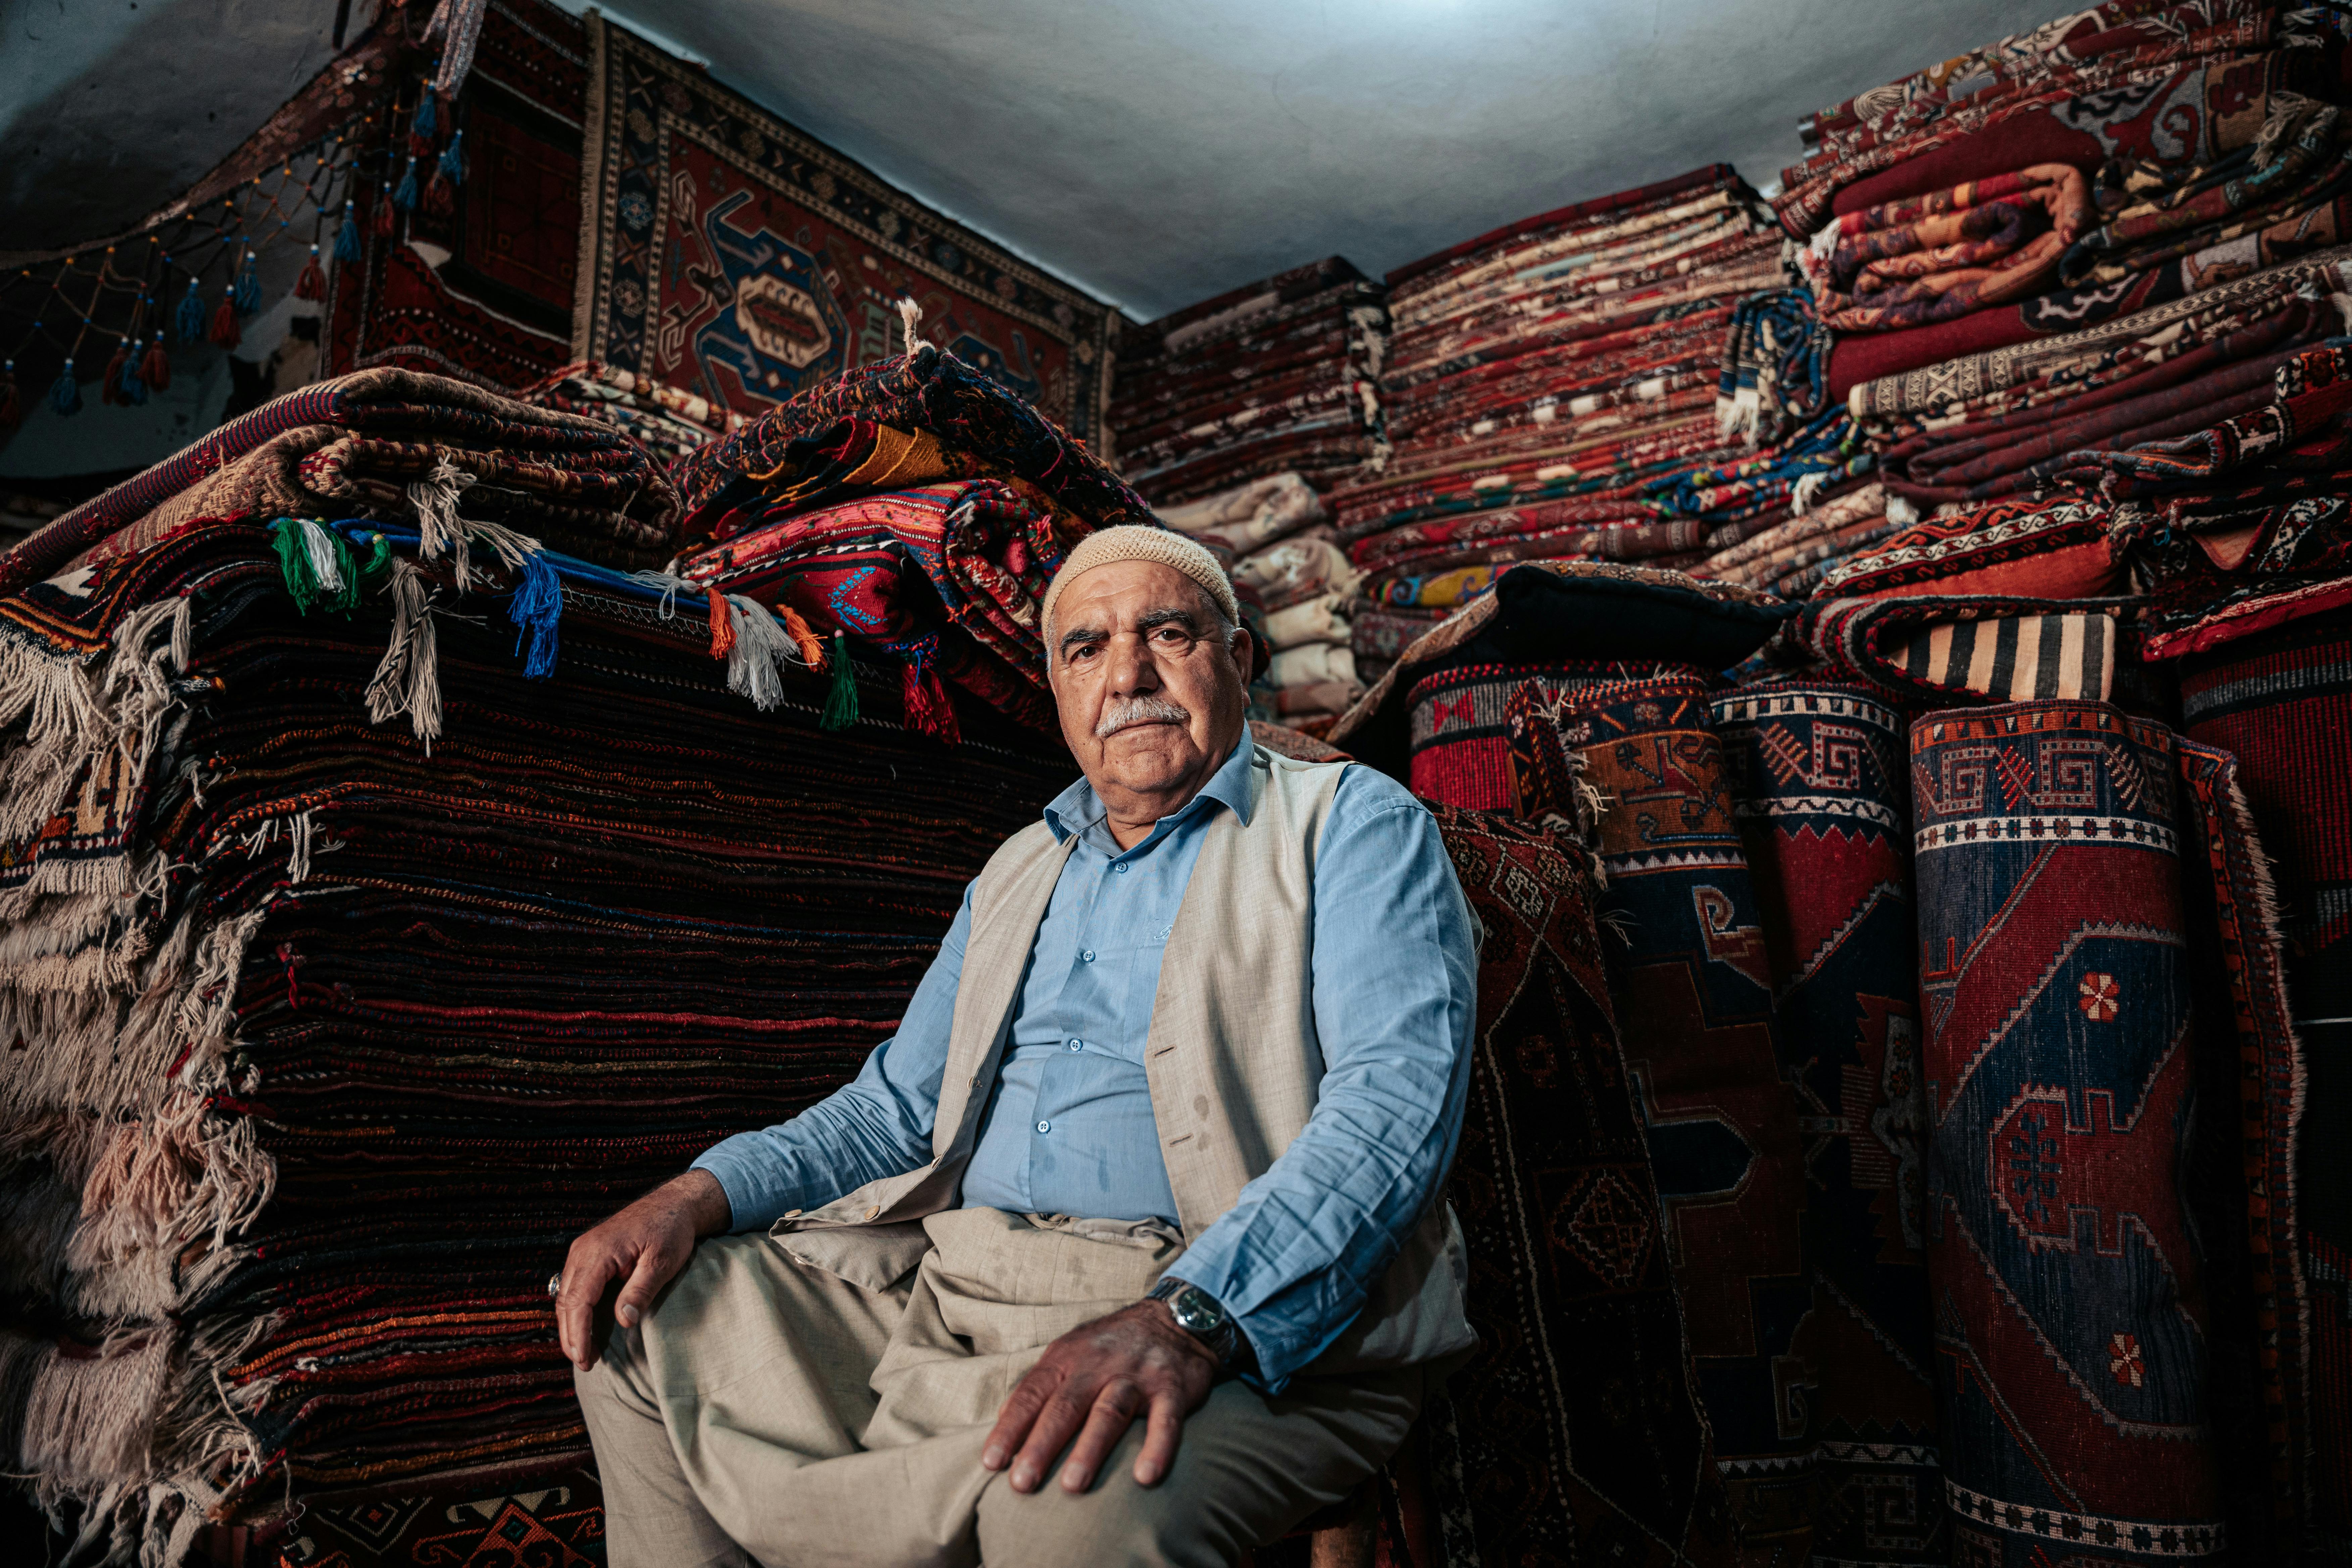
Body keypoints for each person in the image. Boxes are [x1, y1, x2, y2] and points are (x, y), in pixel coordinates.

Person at [558, 525, 1478, 1567]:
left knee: (1068, 1513)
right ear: (1059, 690)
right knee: (637, 1317)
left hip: (1224, 1308)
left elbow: (1393, 1112)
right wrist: (697, 1194)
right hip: (965, 1291)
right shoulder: (1019, 869)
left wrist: (1194, 1317)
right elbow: (895, 1112)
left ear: (1239, 660)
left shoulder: (1352, 825)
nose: (1127, 675)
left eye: (1169, 634)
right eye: (1087, 649)